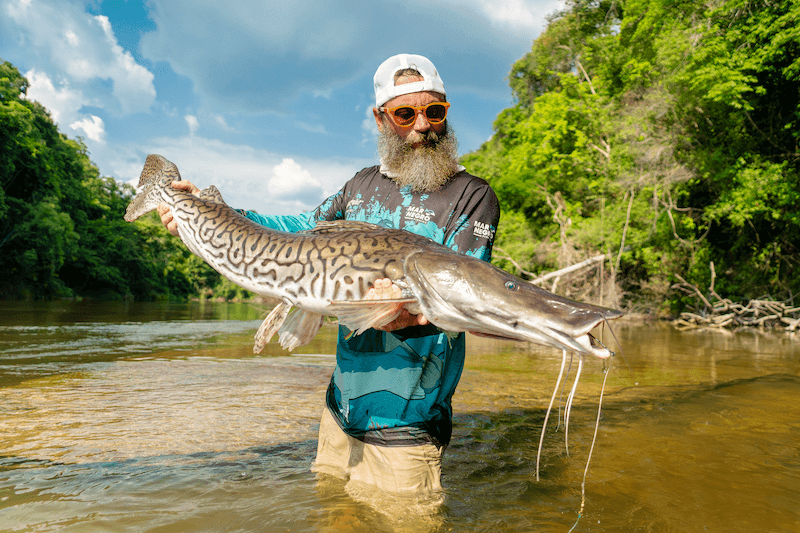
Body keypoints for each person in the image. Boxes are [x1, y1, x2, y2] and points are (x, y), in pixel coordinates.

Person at [158, 53, 500, 495]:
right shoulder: (359, 185)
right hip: (340, 409)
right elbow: (300, 229)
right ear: (380, 119)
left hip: (409, 423)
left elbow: (466, 302)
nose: (422, 126)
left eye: (434, 112)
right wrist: (215, 213)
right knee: (331, 516)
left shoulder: (473, 197)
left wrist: (395, 310)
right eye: (405, 113)